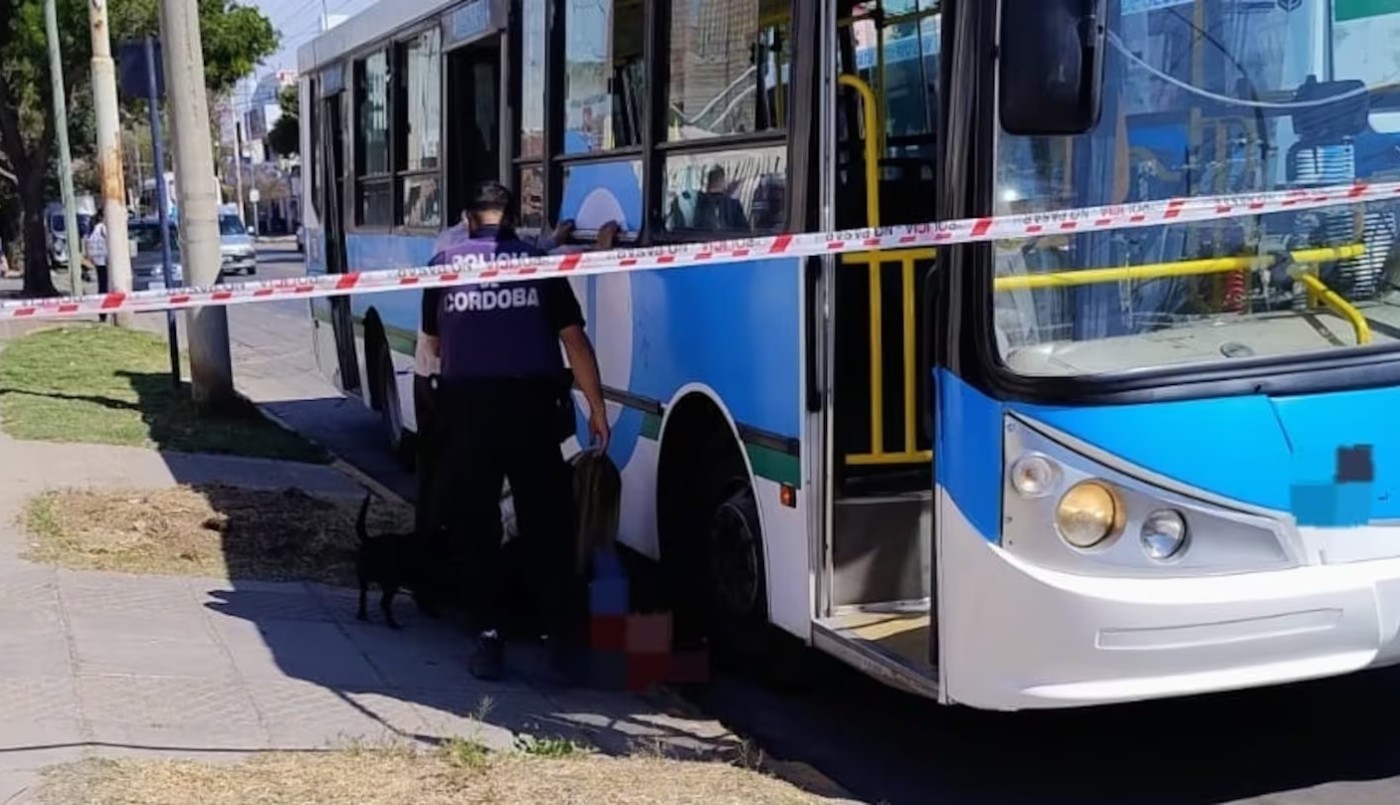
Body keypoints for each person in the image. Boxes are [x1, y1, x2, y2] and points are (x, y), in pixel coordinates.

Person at [421, 181, 610, 681]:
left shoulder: (443, 266)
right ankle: (563, 642)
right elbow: (576, 342)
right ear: (512, 219)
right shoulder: (538, 265)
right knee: (548, 523)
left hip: (468, 413)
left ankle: (489, 638)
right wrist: (596, 407)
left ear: (468, 218)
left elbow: (434, 345)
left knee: (476, 525)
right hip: (531, 411)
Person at [83, 209, 110, 322]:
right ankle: (104, 312)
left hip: (98, 261)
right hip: (105, 261)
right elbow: (109, 241)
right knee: (105, 288)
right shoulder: (103, 228)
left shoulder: (93, 230)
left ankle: (102, 313)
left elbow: (88, 245)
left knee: (102, 286)